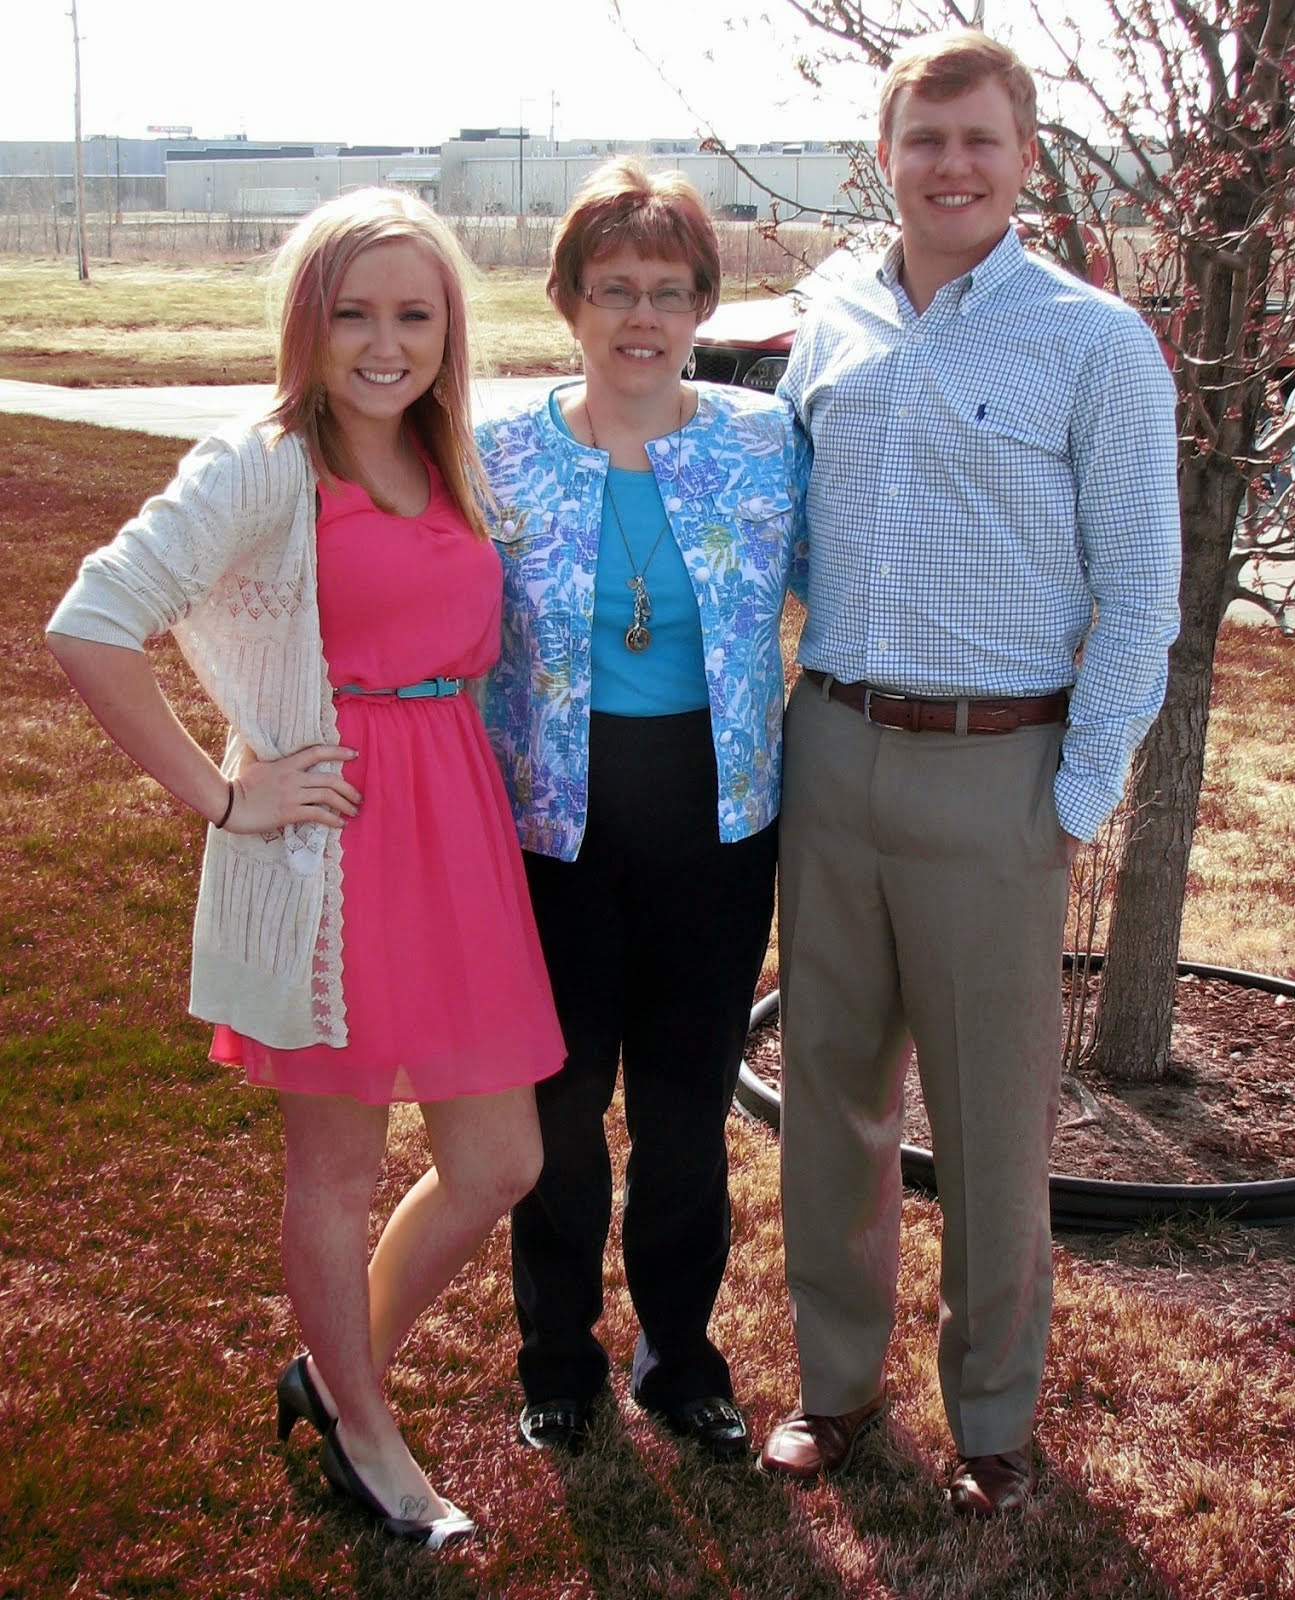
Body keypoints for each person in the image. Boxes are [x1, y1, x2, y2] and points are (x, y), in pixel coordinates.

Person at [46, 188, 565, 1549]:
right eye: (354, 313)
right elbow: (92, 621)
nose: (385, 343)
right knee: (335, 1175)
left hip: (457, 838)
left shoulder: (451, 461)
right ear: (308, 323)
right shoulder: (263, 462)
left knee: (501, 1159)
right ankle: (371, 1438)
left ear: (451, 329)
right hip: (331, 847)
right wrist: (227, 794)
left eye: (415, 313)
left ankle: (337, 1377)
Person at [757, 32, 1181, 1515]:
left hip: (1001, 772)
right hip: (835, 752)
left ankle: (995, 1419)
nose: (952, 165)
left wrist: (1070, 802)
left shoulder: (1093, 342)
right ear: (887, 152)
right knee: (830, 1098)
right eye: (926, 137)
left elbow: (1143, 595)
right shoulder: (833, 325)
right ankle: (834, 1390)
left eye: (980, 141)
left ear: (1023, 159)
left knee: (994, 1129)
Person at [476, 159, 807, 1462]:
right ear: (567, 299)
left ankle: (681, 1361)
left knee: (682, 1109)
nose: (640, 316)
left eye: (668, 291)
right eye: (612, 288)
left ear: (702, 305)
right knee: (555, 1111)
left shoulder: (761, 442)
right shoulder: (496, 455)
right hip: (552, 828)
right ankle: (556, 1355)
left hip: (716, 825)